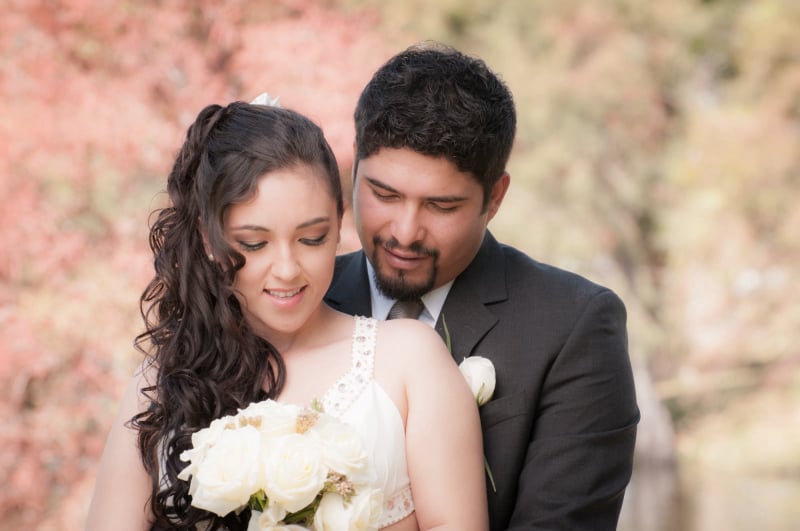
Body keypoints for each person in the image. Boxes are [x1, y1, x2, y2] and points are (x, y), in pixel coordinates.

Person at [86, 100, 488, 530]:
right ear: (207, 238)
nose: (287, 269)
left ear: (338, 223)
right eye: (255, 244)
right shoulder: (162, 381)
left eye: (311, 238)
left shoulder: (408, 358)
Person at [324, 42, 640, 530]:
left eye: (441, 206)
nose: (405, 232)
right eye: (384, 194)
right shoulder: (299, 302)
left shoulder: (574, 327)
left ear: (495, 197)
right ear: (355, 167)